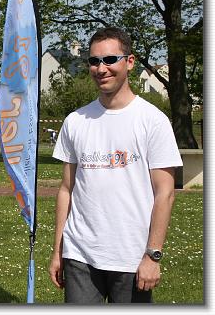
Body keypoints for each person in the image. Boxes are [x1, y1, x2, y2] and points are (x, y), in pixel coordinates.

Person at [48, 27, 183, 303]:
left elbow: (165, 193)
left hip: (132, 257)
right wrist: (58, 250)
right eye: (94, 61)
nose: (101, 69)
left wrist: (153, 255)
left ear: (129, 62)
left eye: (110, 60)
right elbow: (66, 189)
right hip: (80, 255)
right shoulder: (75, 121)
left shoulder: (153, 121)